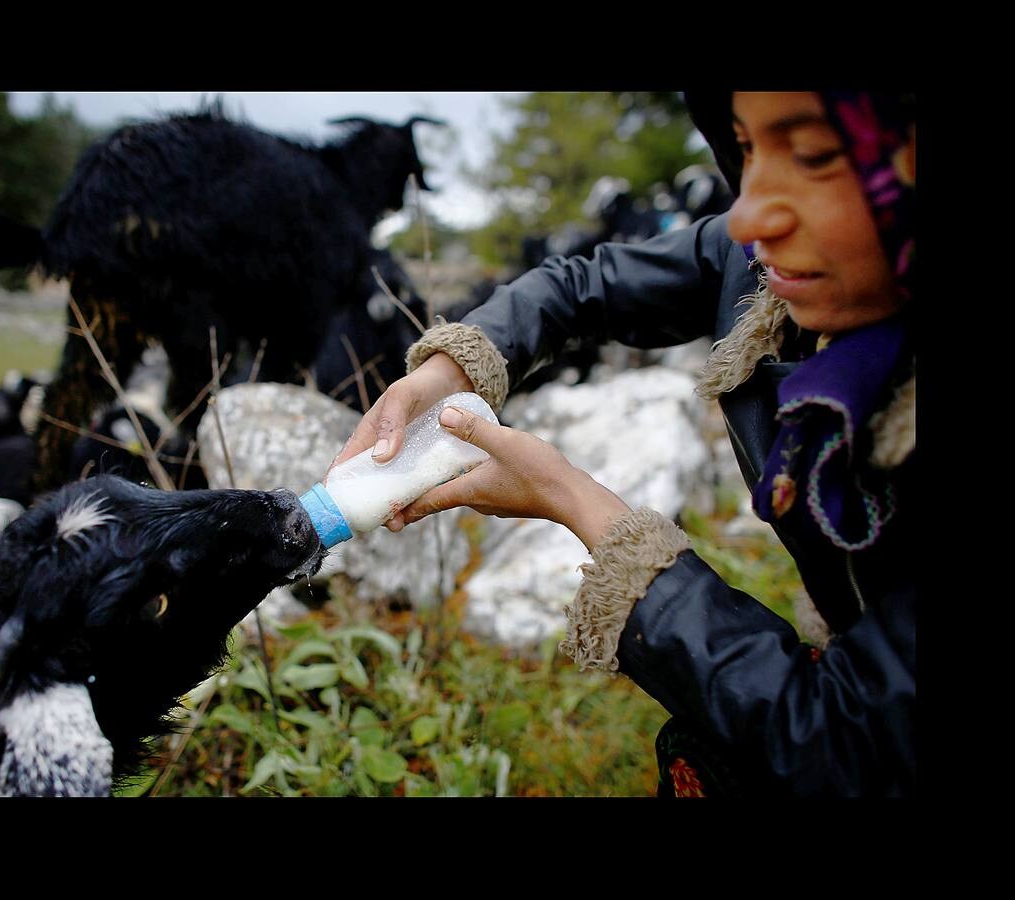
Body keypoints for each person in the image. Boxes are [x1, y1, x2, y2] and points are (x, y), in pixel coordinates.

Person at [328, 92, 915, 796]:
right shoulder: (765, 274)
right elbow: (580, 286)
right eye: (747, 149)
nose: (752, 214)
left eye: (817, 157)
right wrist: (458, 362)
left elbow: (842, 743)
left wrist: (576, 502)